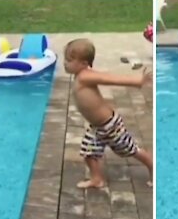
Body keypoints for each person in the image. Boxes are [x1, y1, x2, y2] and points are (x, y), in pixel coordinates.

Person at [63, 38, 153, 188]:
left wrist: (137, 81)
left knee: (129, 150)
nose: (65, 63)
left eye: (69, 60)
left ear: (84, 63)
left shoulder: (86, 76)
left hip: (109, 125)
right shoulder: (80, 76)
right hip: (97, 127)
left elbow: (109, 79)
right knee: (88, 152)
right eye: (66, 59)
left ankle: (152, 165)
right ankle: (97, 179)